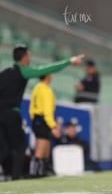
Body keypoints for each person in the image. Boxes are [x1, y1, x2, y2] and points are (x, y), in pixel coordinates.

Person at [0, 44, 83, 180]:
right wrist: (69, 61)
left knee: (3, 148)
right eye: (29, 55)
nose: (30, 57)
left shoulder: (4, 73)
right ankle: (15, 179)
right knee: (20, 147)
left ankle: (11, 176)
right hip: (11, 115)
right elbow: (47, 69)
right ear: (25, 58)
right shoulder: (23, 71)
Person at [29, 74, 61, 177]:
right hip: (43, 120)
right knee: (40, 150)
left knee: (46, 149)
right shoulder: (46, 90)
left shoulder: (36, 88)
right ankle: (34, 173)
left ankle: (43, 171)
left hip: (37, 119)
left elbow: (31, 108)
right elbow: (48, 111)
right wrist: (53, 126)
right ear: (47, 76)